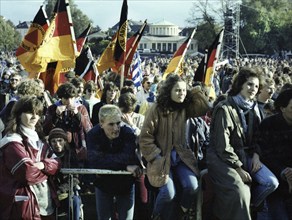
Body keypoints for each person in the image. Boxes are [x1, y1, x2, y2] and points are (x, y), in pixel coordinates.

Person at [207, 67, 279, 220]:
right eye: (250, 85)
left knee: (271, 183)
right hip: (222, 159)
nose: (253, 89)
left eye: (256, 86)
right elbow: (222, 146)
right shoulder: (225, 108)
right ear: (240, 85)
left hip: (246, 155)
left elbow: (257, 138)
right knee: (240, 192)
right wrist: (238, 168)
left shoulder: (253, 109)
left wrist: (256, 155)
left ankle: (251, 207)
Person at [139, 74, 210, 220]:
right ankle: (155, 216)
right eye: (177, 90)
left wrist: (194, 90)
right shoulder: (156, 109)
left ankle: (181, 213)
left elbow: (204, 108)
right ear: (169, 91)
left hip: (181, 158)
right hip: (161, 159)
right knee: (168, 193)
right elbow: (145, 137)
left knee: (192, 186)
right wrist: (156, 156)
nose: (181, 94)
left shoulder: (185, 108)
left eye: (184, 91)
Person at [0, 96, 60, 220]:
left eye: (37, 113)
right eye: (29, 112)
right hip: (22, 204)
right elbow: (26, 173)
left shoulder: (40, 140)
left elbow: (58, 163)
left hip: (45, 203)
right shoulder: (12, 141)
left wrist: (43, 165)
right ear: (18, 114)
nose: (34, 117)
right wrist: (47, 172)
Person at [87, 104, 142, 220]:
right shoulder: (93, 135)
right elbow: (95, 161)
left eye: (118, 123)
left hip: (125, 184)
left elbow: (128, 157)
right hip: (103, 183)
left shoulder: (127, 133)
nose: (116, 128)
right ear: (101, 123)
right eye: (111, 124)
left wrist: (107, 160)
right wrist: (126, 166)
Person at [257, 89, 292, 219]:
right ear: (282, 108)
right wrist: (284, 171)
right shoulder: (268, 125)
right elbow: (264, 154)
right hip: (275, 182)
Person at [48, 128, 83, 220]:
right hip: (50, 192)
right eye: (54, 141)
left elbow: (76, 178)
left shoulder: (71, 155)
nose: (57, 144)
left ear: (65, 141)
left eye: (60, 140)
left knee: (74, 202)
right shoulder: (47, 156)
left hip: (67, 191)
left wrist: (62, 189)